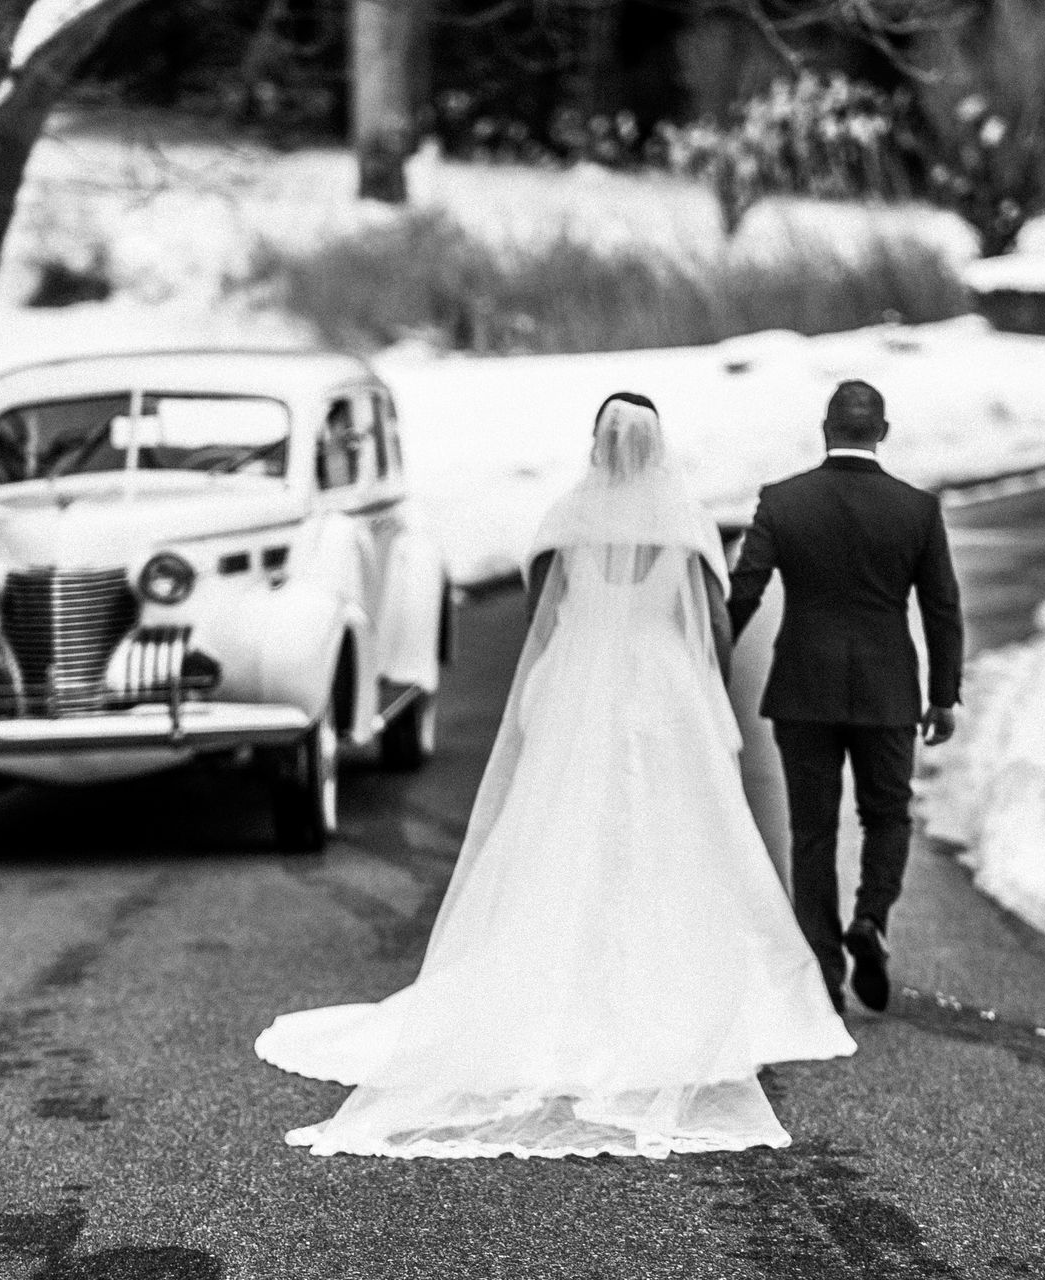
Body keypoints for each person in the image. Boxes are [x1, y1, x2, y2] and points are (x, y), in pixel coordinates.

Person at [255, 392, 854, 1160]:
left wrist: (563, 670)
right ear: (657, 445)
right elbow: (711, 622)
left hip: (577, 682)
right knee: (677, 831)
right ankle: (673, 981)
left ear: (597, 445)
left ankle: (557, 972)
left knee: (566, 827)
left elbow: (544, 615)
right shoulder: (686, 521)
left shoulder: (565, 518)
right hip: (663, 685)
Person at [727, 380, 964, 1014]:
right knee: (887, 815)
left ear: (825, 430)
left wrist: (706, 656)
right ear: (881, 433)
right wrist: (943, 695)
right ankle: (872, 920)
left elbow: (743, 590)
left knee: (812, 833)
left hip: (803, 689)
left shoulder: (783, 502)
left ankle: (825, 977)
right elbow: (941, 605)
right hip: (888, 690)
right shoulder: (917, 510)